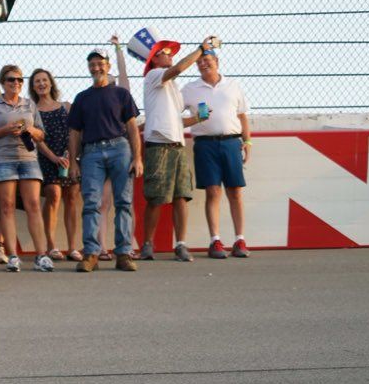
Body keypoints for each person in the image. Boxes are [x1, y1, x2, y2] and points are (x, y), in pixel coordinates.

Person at [127, 29, 213, 262]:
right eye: (166, 52)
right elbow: (178, 69)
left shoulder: (172, 87)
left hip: (176, 144)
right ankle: (147, 244)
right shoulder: (154, 75)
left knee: (181, 196)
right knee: (156, 198)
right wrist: (201, 50)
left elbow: (177, 119)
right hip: (159, 146)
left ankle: (180, 244)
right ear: (154, 57)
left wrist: (198, 119)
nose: (171, 56)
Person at [66, 49, 143, 272]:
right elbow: (74, 133)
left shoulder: (121, 94)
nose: (96, 67)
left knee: (124, 202)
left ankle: (124, 253)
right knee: (91, 203)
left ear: (108, 66)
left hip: (120, 148)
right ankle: (91, 253)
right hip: (91, 153)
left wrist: (137, 157)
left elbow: (131, 127)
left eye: (100, 63)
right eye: (92, 64)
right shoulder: (82, 98)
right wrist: (73, 161)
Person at [0, 64, 51, 272]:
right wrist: (5, 130)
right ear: (2, 83)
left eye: (19, 80)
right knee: (7, 206)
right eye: (11, 79)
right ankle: (12, 256)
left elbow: (42, 135)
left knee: (34, 205)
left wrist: (30, 130)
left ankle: (41, 255)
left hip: (27, 157)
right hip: (1, 158)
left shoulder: (29, 105)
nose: (16, 83)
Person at [182, 46, 253, 258]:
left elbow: (242, 116)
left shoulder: (232, 86)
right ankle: (215, 240)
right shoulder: (190, 89)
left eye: (208, 59)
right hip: (205, 144)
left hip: (231, 143)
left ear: (217, 61)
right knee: (213, 191)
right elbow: (175, 115)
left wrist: (247, 142)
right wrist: (194, 120)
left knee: (235, 191)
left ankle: (239, 240)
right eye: (200, 61)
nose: (204, 63)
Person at [30, 68, 81, 261]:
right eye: (37, 81)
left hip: (68, 158)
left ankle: (73, 247)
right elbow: (37, 140)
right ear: (33, 87)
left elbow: (73, 134)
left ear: (51, 83)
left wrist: (70, 154)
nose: (42, 84)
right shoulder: (32, 110)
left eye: (44, 80)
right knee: (53, 194)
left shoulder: (66, 107)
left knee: (72, 197)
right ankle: (51, 245)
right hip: (46, 160)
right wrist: (53, 158)